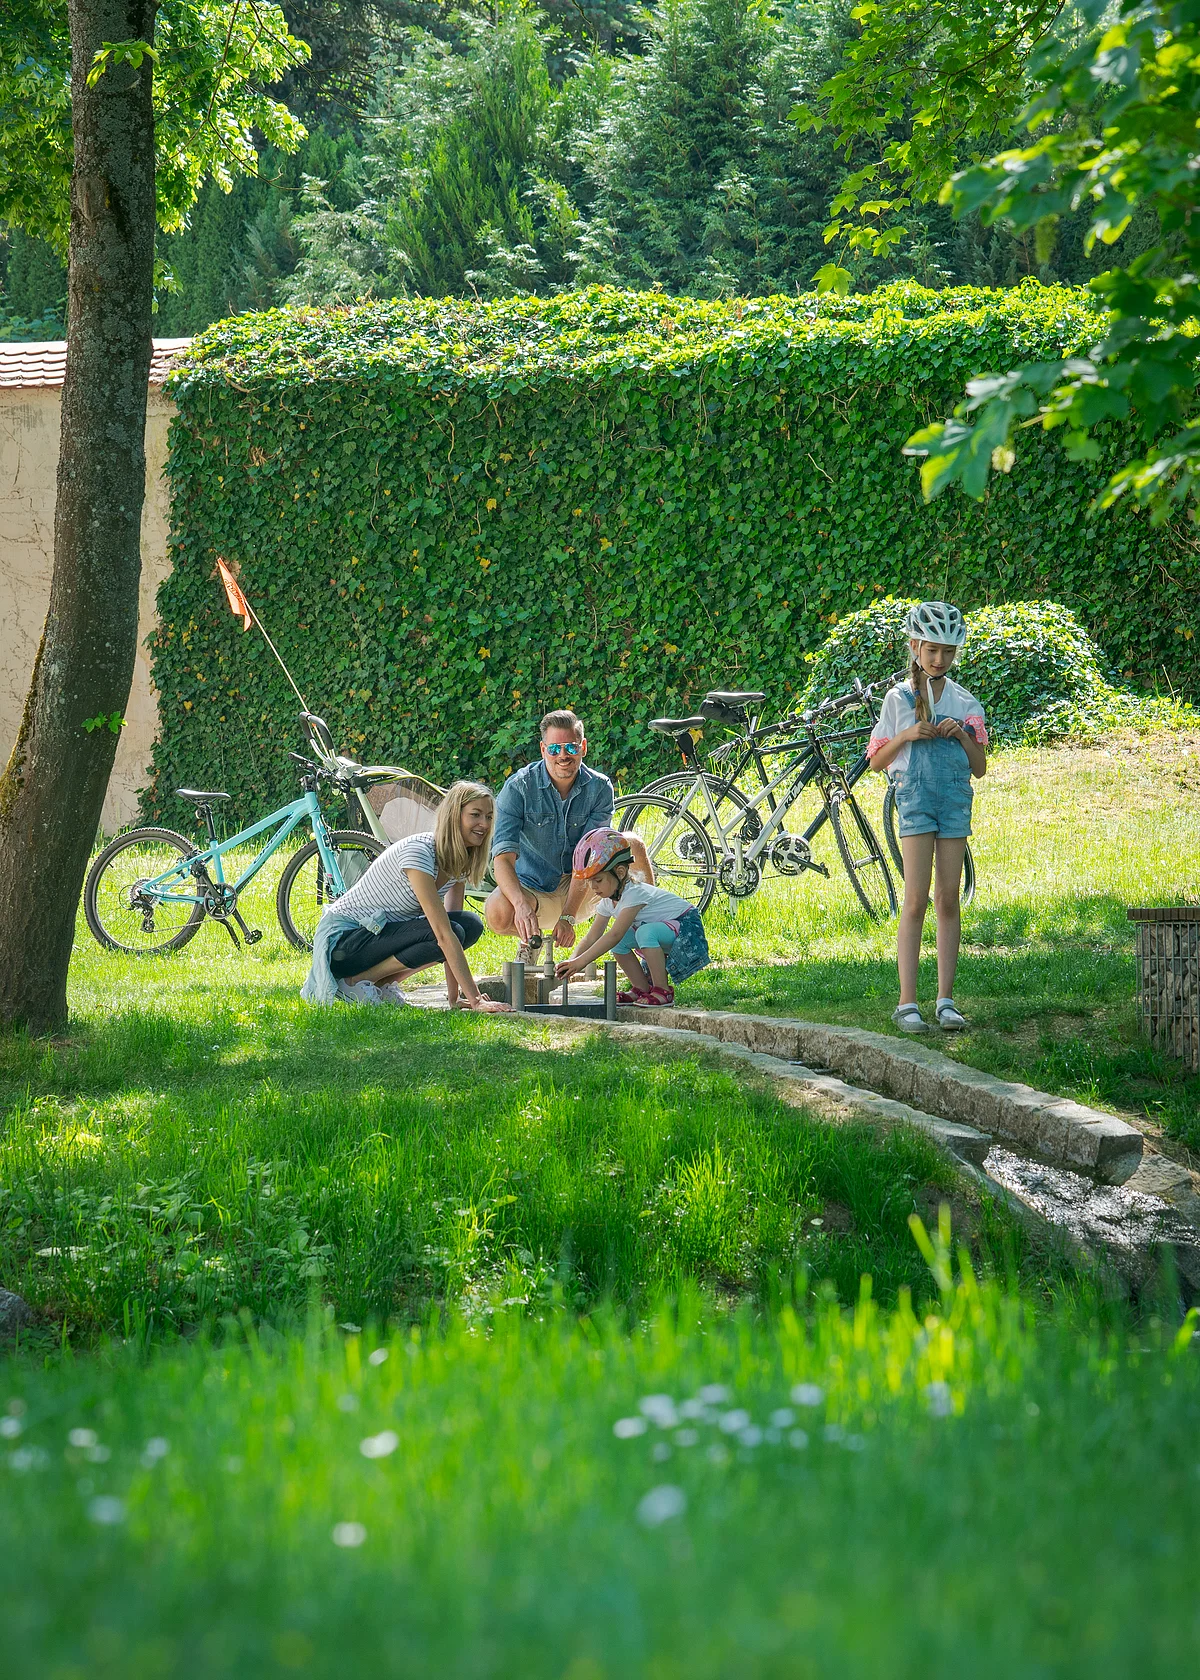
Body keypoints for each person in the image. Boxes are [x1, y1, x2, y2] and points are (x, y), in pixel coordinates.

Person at [868, 600, 987, 1033]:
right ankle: (906, 1002)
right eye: (932, 650)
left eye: (948, 652)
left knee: (949, 898)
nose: (940, 659)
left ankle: (946, 1000)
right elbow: (878, 762)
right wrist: (906, 734)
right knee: (915, 899)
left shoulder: (965, 701)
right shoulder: (897, 699)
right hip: (915, 799)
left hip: (954, 801)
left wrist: (961, 735)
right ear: (916, 646)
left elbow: (979, 766)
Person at [300, 780, 510, 1012]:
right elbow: (443, 934)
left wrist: (455, 999)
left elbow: (453, 930)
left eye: (489, 817)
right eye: (476, 815)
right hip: (345, 945)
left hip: (376, 937)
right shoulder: (419, 853)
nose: (484, 824)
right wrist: (477, 1000)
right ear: (454, 816)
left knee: (468, 925)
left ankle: (380, 983)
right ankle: (355, 983)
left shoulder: (458, 862)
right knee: (445, 932)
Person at [486, 709, 651, 959]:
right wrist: (520, 905)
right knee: (497, 911)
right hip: (535, 889)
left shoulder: (599, 787)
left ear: (583, 747)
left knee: (633, 844)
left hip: (587, 886)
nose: (563, 756)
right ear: (543, 750)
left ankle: (651, 934)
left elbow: (591, 856)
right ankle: (532, 938)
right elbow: (502, 858)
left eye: (571, 748)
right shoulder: (518, 787)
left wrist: (568, 915)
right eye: (554, 749)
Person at [556, 828, 710, 1007]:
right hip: (664, 929)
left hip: (687, 927)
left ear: (620, 872)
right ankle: (642, 988)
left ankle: (663, 990)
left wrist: (580, 962)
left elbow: (615, 934)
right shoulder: (608, 900)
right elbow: (592, 936)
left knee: (642, 933)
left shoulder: (633, 894)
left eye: (598, 880)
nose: (593, 887)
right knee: (622, 944)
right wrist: (572, 961)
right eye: (589, 882)